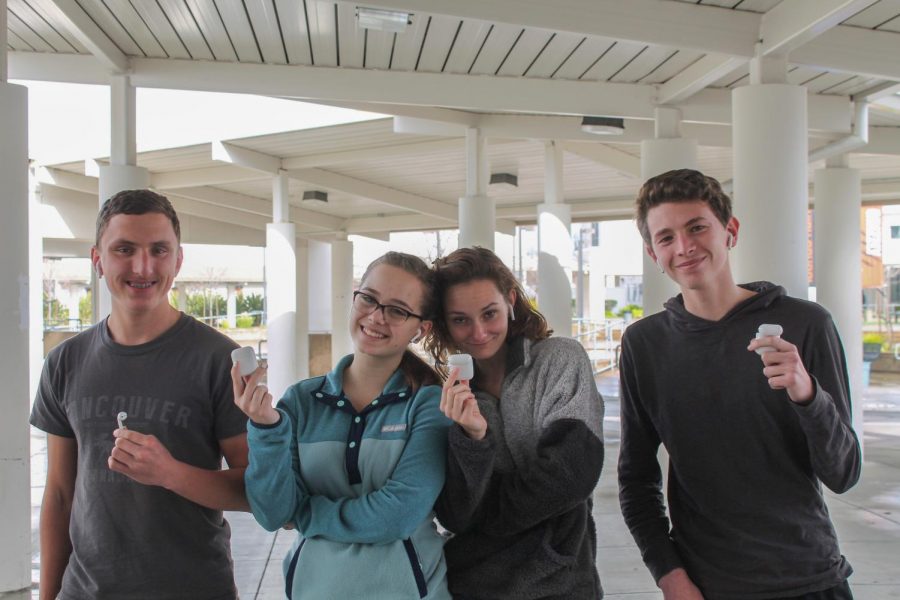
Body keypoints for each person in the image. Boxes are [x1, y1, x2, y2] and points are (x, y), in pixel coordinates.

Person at [618, 169, 862, 599]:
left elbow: (843, 473)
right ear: (653, 252)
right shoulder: (645, 344)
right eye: (666, 237)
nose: (685, 247)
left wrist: (808, 395)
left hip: (809, 579)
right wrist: (670, 577)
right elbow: (636, 480)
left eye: (697, 228)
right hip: (708, 586)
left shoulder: (806, 324)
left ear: (730, 231)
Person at [30, 189, 250, 600]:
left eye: (159, 250)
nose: (142, 266)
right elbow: (60, 495)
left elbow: (258, 491)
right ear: (98, 260)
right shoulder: (64, 362)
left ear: (178, 261)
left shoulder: (220, 360)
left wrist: (170, 473)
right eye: (124, 249)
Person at [236, 251, 451, 599]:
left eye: (397, 310)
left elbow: (398, 515)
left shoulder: (428, 404)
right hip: (314, 589)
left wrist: (306, 513)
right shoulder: (301, 401)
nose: (377, 317)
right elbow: (272, 513)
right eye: (369, 298)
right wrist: (265, 429)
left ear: (421, 329)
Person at [427, 247, 605, 600]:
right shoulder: (444, 395)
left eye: (489, 313)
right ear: (444, 322)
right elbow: (454, 513)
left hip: (561, 584)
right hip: (468, 586)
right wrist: (472, 439)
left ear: (510, 300)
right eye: (460, 319)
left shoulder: (559, 360)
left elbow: (571, 473)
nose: (478, 332)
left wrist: (483, 518)